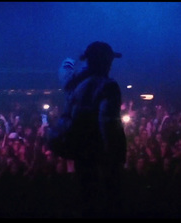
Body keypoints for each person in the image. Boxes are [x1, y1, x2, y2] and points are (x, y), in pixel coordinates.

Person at [54, 41, 126, 217]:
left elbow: (64, 69)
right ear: (103, 61)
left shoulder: (73, 81)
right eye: (109, 60)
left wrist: (75, 56)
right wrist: (115, 160)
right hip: (97, 154)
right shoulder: (107, 86)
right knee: (99, 202)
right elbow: (108, 126)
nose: (110, 64)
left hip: (77, 150)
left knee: (83, 197)